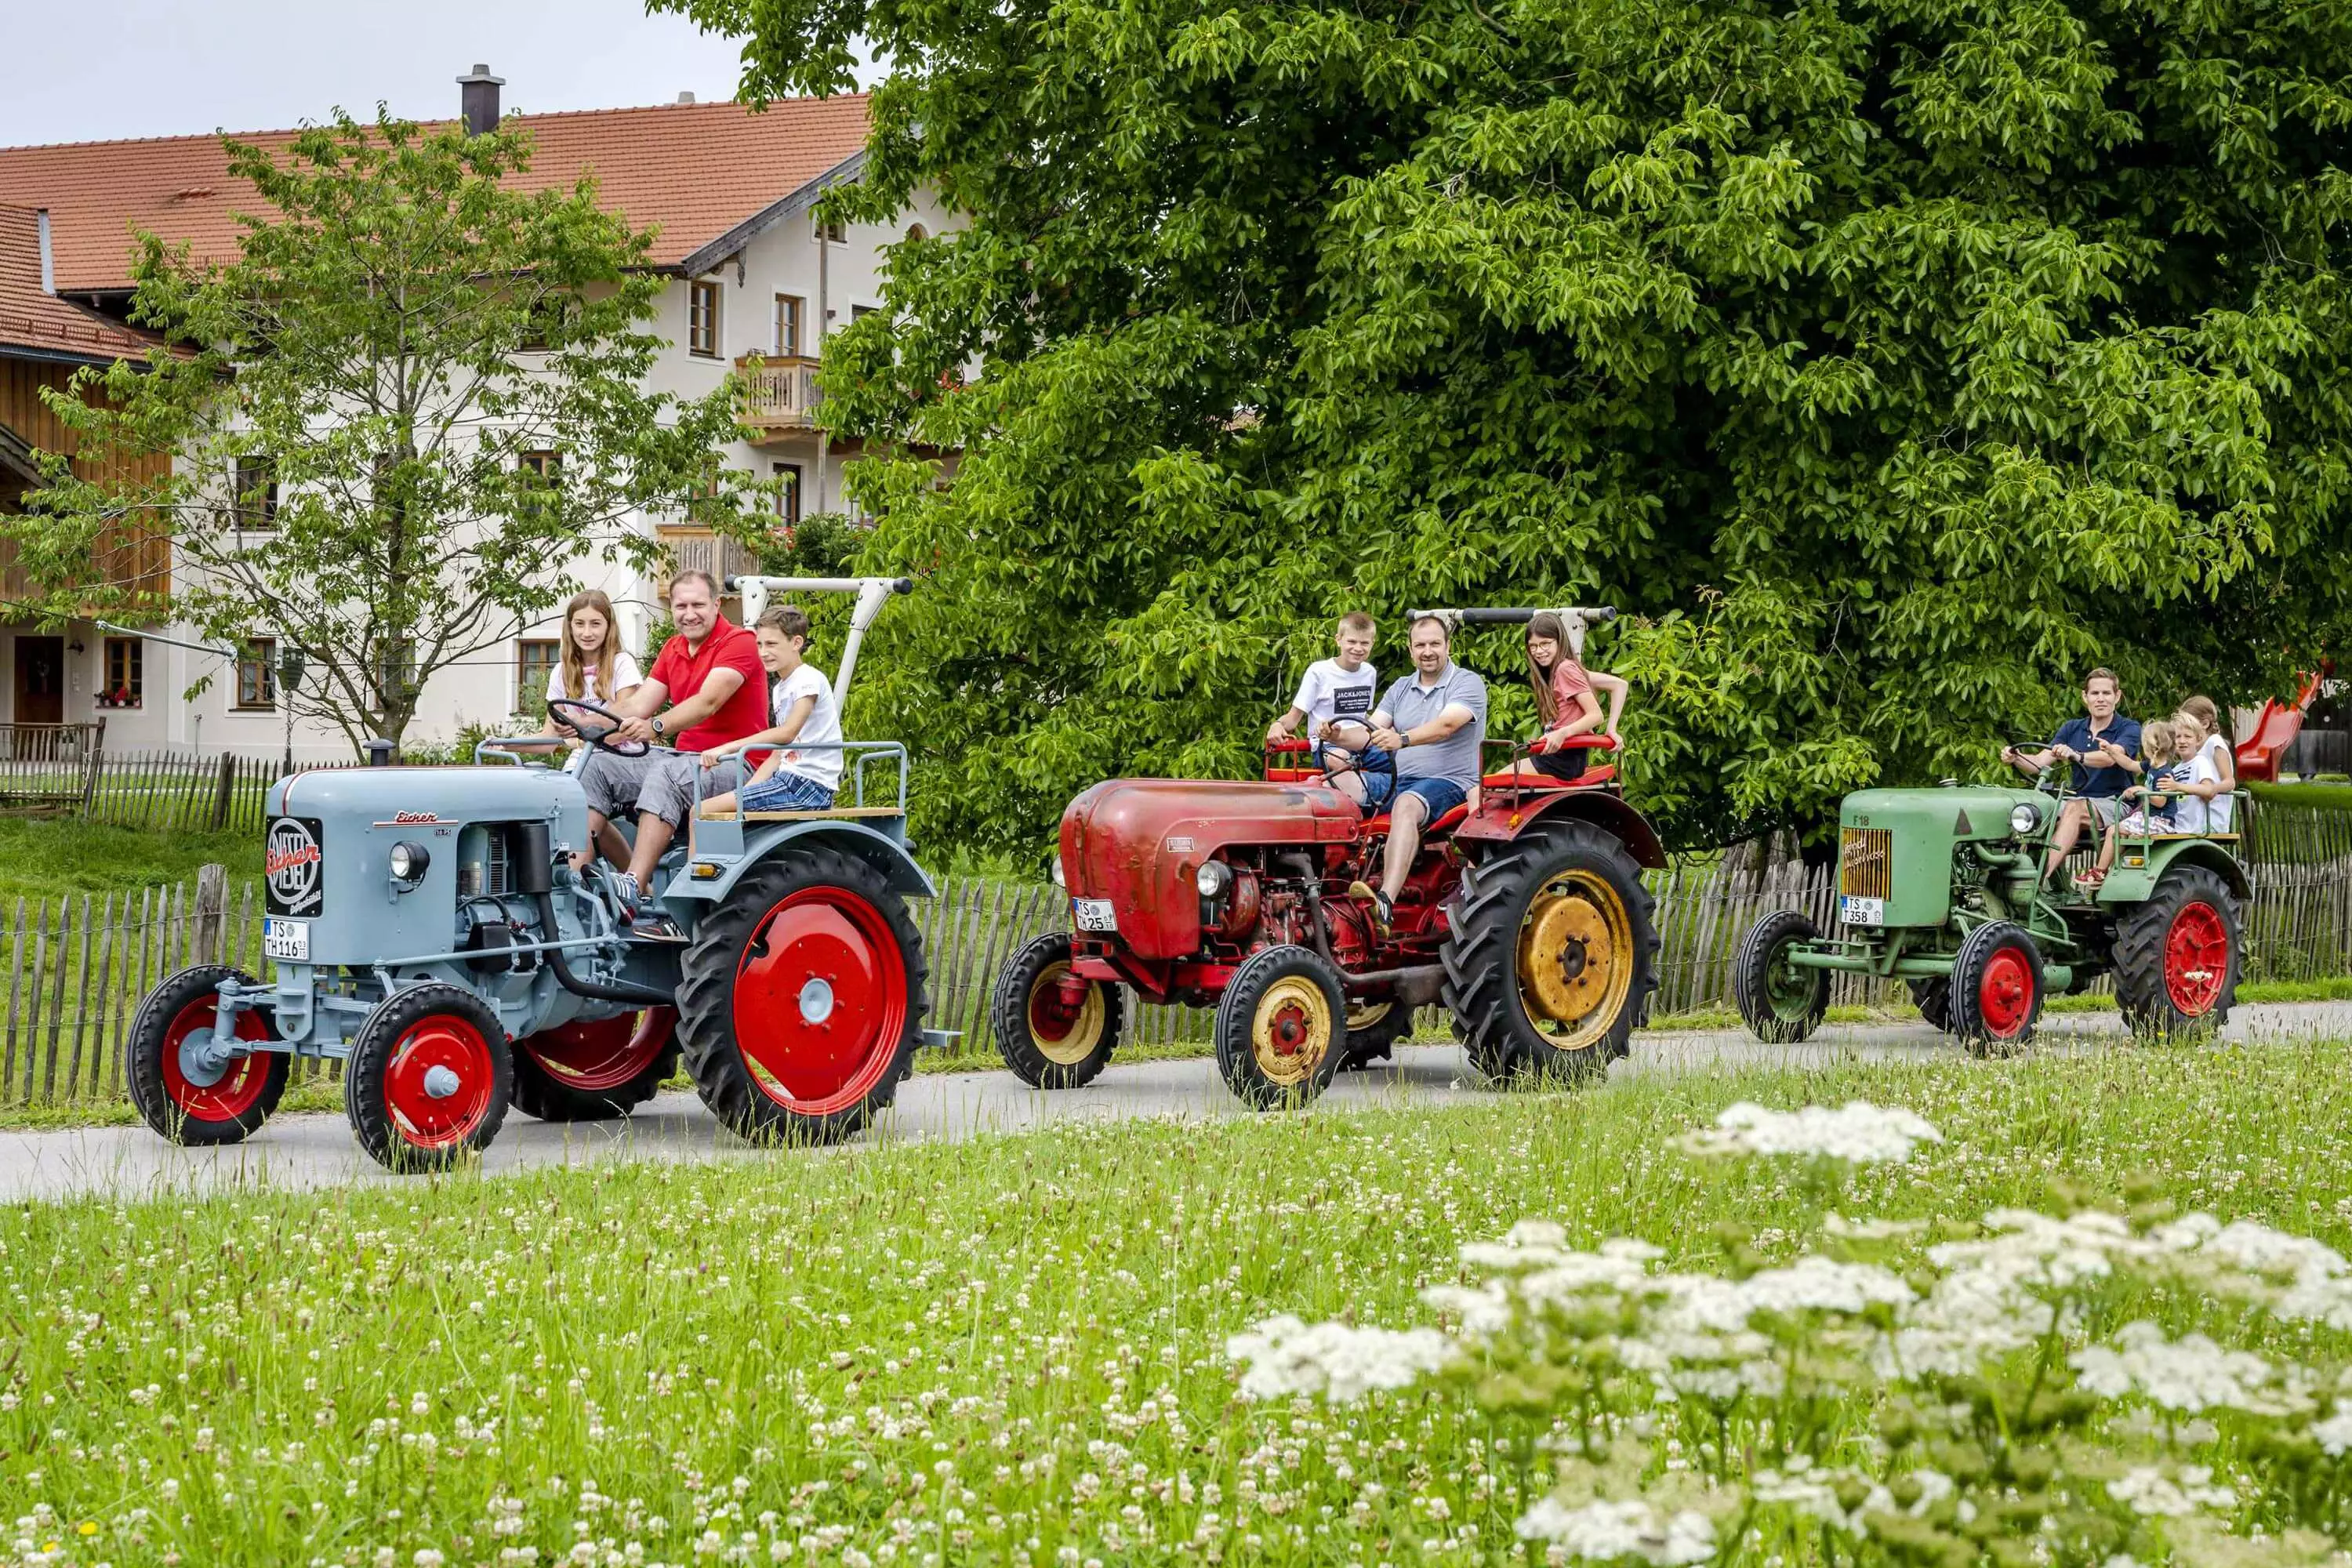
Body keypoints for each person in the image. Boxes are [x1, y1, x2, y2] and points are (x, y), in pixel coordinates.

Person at [562, 571, 768, 923]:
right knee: (596, 766)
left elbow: (708, 702)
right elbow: (638, 704)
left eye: (698, 605)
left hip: (735, 763)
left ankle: (634, 885)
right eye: (681, 606)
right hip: (685, 759)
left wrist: (656, 726)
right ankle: (571, 887)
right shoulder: (674, 648)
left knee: (666, 773)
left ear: (717, 604)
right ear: (671, 608)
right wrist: (588, 725)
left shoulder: (739, 643)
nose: (689, 614)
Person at [1345, 614, 1487, 931]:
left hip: (1450, 782)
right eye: (1420, 645)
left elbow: (1447, 725)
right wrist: (1335, 736)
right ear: (1410, 650)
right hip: (1402, 779)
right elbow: (1368, 732)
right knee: (1333, 789)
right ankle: (1325, 887)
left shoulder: (1467, 682)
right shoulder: (1400, 688)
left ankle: (1385, 901)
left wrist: (1403, 739)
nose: (1428, 651)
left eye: (1435, 644)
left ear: (1448, 646)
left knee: (1406, 804)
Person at [699, 606, 844, 816]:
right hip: (787, 779)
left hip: (808, 785)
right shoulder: (780, 688)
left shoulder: (808, 679)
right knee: (713, 810)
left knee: (701, 810)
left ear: (796, 643)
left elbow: (787, 733)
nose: (763, 653)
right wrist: (745, 793)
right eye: (759, 644)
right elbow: (778, 753)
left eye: (771, 644)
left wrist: (727, 748)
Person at [2002, 667, 2143, 883]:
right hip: (2077, 799)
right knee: (2029, 810)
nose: (2101, 699)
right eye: (2095, 693)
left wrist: (2076, 755)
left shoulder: (2129, 728)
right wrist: (2016, 757)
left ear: (2117, 697)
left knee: (2074, 809)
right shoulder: (2072, 728)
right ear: (2085, 697)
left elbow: (2111, 758)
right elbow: (2039, 763)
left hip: (2116, 803)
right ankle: (2001, 876)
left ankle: (2038, 880)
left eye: (2106, 693)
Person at [1267, 612, 1385, 804]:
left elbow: (1364, 715)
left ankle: (1387, 797)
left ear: (1372, 643)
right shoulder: (1319, 672)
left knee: (1402, 758)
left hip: (1361, 743)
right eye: (1352, 642)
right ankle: (1361, 802)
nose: (1358, 648)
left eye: (1364, 643)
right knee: (1340, 759)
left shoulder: (1369, 672)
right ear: (1338, 640)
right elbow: (1293, 717)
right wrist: (1278, 725)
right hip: (1328, 745)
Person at [1498, 611, 1627, 782]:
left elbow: (1596, 715)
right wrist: (1611, 729)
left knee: (1483, 788)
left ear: (1559, 641)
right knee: (1498, 787)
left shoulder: (1565, 669)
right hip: (1565, 756)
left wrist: (1563, 733)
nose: (1539, 651)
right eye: (1533, 646)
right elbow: (1619, 685)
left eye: (1545, 644)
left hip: (1562, 758)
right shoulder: (1565, 669)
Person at [2081, 720, 2188, 886]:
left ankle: (2100, 871)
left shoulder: (2164, 773)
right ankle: (2109, 871)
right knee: (2118, 831)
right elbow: (2130, 764)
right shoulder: (2152, 766)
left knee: (2113, 830)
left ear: (2152, 747)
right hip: (2150, 818)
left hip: (2160, 821)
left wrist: (2141, 790)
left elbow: (2160, 801)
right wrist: (2111, 751)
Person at [537, 589, 643, 742]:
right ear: (570, 627)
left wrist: (577, 740)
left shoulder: (622, 663)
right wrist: (505, 745)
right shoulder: (561, 672)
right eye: (580, 624)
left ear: (608, 627)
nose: (587, 633)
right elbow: (548, 739)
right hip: (583, 755)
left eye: (595, 624)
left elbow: (625, 729)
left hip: (622, 754)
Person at [2170, 698, 2238, 834]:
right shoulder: (2195, 752)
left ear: (2205, 724)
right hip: (2195, 816)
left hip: (2211, 817)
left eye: (2190, 723)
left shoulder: (2214, 743)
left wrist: (2210, 790)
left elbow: (2230, 782)